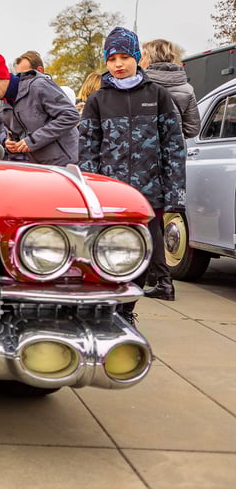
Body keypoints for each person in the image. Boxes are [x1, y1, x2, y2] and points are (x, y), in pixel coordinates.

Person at [79, 27, 186, 317]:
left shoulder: (158, 96)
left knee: (142, 254)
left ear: (137, 58)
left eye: (124, 57)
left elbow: (173, 147)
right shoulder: (97, 100)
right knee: (109, 252)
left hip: (149, 193)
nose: (118, 64)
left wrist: (175, 194)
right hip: (110, 194)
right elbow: (88, 150)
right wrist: (89, 192)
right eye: (112, 58)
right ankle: (109, 308)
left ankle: (127, 309)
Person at [0, 51, 79, 165]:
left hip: (70, 164)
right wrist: (11, 144)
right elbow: (19, 139)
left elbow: (70, 115)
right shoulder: (3, 109)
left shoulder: (38, 86)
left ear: (3, 77)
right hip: (40, 168)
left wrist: (33, 140)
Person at [140, 39, 201, 139]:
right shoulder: (187, 89)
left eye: (142, 58)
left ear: (148, 59)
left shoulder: (139, 87)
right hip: (176, 146)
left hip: (146, 146)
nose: (141, 62)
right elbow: (192, 129)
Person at [13, 50, 78, 105]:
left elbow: (69, 114)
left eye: (26, 74)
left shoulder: (63, 93)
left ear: (40, 71)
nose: (21, 79)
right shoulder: (19, 97)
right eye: (18, 76)